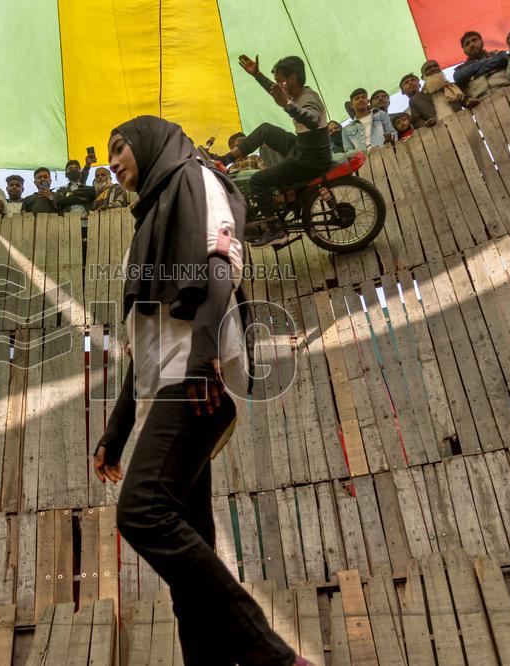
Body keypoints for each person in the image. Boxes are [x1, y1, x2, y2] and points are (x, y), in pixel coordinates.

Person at [95, 116, 305, 666]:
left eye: (120, 148)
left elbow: (220, 265)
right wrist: (115, 433)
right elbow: (146, 336)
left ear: (149, 143)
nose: (113, 161)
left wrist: (204, 354)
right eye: (108, 154)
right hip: (172, 379)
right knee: (193, 557)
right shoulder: (151, 220)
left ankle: (272, 656)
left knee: (141, 513)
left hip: (194, 383)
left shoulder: (196, 178)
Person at [229, 54, 333, 246]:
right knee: (266, 130)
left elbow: (312, 119)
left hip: (310, 160)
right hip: (303, 148)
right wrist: (257, 74)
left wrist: (287, 105)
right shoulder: (297, 93)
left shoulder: (308, 99)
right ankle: (224, 159)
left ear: (292, 78)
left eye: (281, 81)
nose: (279, 86)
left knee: (258, 180)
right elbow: (275, 91)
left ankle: (276, 230)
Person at [409, 60, 470, 128]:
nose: (433, 69)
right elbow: (417, 121)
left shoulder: (454, 87)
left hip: (462, 126)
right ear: (423, 77)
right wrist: (425, 123)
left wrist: (469, 102)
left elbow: (465, 100)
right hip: (438, 133)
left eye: (435, 66)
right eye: (428, 68)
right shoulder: (416, 100)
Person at [453, 31, 510, 100]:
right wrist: (489, 62)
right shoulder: (461, 69)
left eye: (474, 40)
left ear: (482, 42)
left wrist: (473, 75)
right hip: (482, 105)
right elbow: (458, 77)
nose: (472, 44)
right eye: (467, 44)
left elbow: (503, 58)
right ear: (464, 50)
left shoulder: (498, 55)